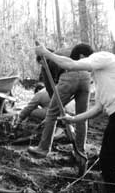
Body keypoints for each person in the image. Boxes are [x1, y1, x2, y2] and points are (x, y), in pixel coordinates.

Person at [35, 43, 115, 192]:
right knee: (107, 161)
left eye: (81, 63)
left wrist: (46, 53)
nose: (82, 69)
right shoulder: (100, 76)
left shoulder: (102, 57)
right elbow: (97, 108)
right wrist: (73, 119)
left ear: (83, 57)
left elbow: (70, 64)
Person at [28, 44, 93, 175]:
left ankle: (43, 148)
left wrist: (56, 106)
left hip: (69, 75)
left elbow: (50, 89)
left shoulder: (47, 61)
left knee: (51, 113)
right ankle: (80, 152)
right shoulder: (65, 51)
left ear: (41, 60)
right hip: (86, 76)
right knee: (82, 117)